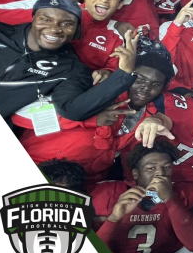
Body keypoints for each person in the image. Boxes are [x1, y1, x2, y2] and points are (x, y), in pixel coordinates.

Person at [20, 52, 175, 185]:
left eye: (155, 84)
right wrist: (90, 119)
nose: (146, 87)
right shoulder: (99, 88)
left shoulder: (149, 116)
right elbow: (30, 116)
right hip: (33, 165)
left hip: (79, 183)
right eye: (139, 79)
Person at [0, 0, 140, 123]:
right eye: (46, 20)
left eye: (67, 24)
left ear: (77, 31)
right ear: (33, 18)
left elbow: (72, 110)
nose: (55, 29)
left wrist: (124, 73)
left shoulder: (71, 69)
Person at [93, 141, 193, 253]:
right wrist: (114, 218)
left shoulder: (183, 193)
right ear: (135, 173)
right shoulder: (110, 193)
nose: (160, 173)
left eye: (166, 167)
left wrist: (170, 199)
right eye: (151, 168)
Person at [70, 0, 130, 80]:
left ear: (120, 4)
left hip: (82, 83)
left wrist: (105, 72)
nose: (104, 0)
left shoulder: (116, 37)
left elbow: (111, 70)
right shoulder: (63, 14)